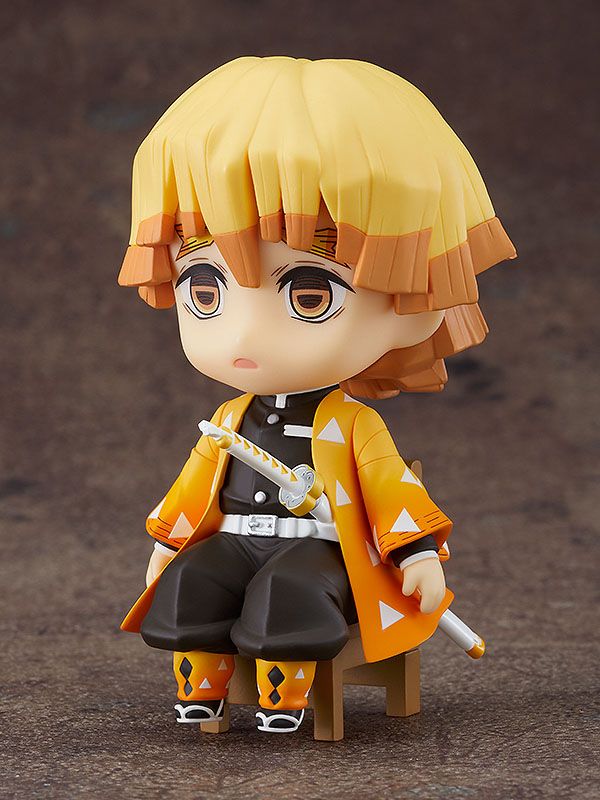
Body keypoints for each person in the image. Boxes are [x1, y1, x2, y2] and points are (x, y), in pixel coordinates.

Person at [119, 56, 516, 733]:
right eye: (205, 290)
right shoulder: (229, 419)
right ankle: (201, 688)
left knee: (289, 593)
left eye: (309, 295)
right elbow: (196, 487)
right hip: (237, 539)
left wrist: (416, 553)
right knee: (188, 583)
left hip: (321, 550)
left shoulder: (353, 426)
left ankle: (285, 698)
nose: (244, 333)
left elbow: (390, 489)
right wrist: (169, 541)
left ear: (416, 304)